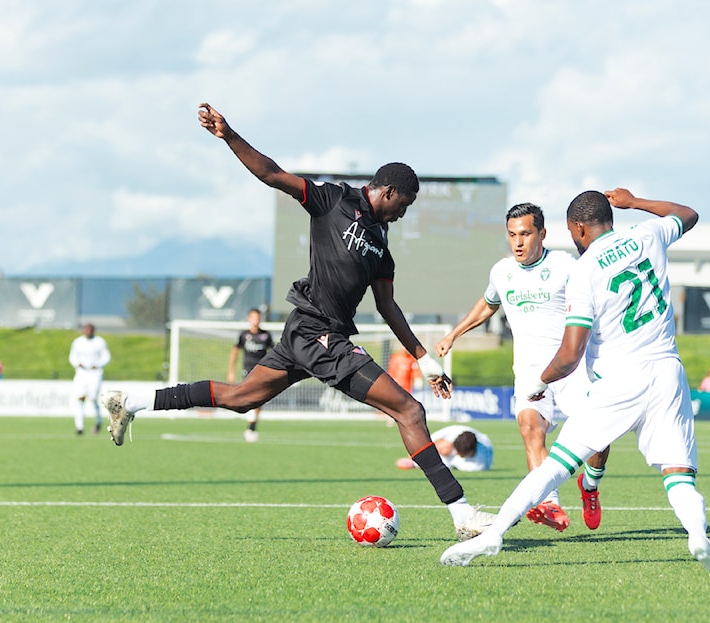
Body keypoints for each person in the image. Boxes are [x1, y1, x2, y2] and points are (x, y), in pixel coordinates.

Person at [102, 103, 494, 541]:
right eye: (404, 204)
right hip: (316, 333)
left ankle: (132, 402)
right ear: (386, 191)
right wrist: (229, 135)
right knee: (409, 410)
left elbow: (388, 306)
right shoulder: (334, 200)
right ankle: (463, 516)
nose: (404, 213)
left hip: (311, 334)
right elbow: (272, 174)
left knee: (240, 399)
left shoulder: (383, 248)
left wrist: (423, 358)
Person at [440, 188, 710, 572]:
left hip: (618, 378)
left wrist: (540, 381)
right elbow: (688, 213)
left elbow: (569, 355)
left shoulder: (582, 271)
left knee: (557, 464)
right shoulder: (648, 235)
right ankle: (698, 536)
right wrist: (636, 203)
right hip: (667, 371)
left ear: (576, 228)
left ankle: (494, 535)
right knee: (678, 474)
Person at [435, 203, 609, 532]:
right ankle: (549, 504)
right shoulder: (501, 272)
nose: (518, 242)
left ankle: (590, 485)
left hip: (572, 368)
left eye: (526, 234)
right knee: (531, 429)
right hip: (530, 372)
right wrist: (453, 334)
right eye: (513, 235)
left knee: (598, 440)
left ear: (542, 234)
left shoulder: (566, 266)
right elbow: (488, 304)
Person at [227, 308, 275, 442]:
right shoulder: (244, 335)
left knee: (259, 398)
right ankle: (249, 419)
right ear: (249, 319)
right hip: (247, 370)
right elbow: (235, 351)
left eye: (258, 317)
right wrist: (231, 370)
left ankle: (252, 424)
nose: (256, 320)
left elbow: (273, 352)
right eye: (253, 317)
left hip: (262, 370)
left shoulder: (266, 336)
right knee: (248, 396)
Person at [69, 323, 111, 436]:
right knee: (80, 398)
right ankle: (79, 427)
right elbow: (72, 357)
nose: (88, 332)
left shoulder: (99, 342)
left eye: (90, 330)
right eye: (86, 330)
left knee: (92, 399)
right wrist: (78, 364)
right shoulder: (78, 342)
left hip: (95, 373)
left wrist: (97, 364)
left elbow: (106, 357)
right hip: (81, 373)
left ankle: (98, 422)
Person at [396, 425, 494, 472]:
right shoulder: (455, 431)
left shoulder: (476, 465)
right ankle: (418, 458)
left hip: (470, 460)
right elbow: (430, 439)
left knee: (443, 451)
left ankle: (417, 463)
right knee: (442, 447)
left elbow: (447, 463)